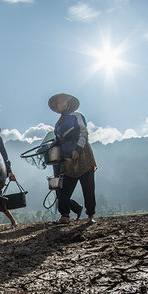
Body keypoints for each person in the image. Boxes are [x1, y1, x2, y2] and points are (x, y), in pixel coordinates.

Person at [48, 93, 97, 224]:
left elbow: (83, 132)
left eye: (63, 101)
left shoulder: (77, 116)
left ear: (68, 103)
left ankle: (90, 214)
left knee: (88, 187)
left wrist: (78, 148)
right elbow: (58, 140)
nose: (60, 104)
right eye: (58, 103)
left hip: (82, 156)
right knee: (63, 190)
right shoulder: (58, 123)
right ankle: (65, 215)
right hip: (66, 158)